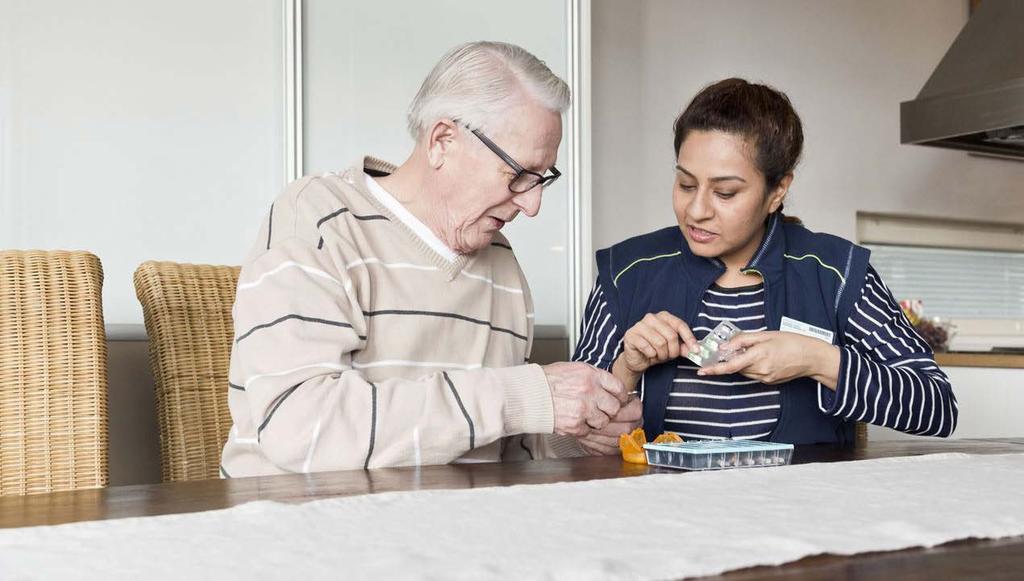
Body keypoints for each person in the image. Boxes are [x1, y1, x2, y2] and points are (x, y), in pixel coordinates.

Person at [221, 41, 637, 477]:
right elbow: (304, 430)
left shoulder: (499, 263)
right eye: (518, 175)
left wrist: (575, 431)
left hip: (449, 526)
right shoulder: (318, 220)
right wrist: (522, 396)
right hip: (302, 523)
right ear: (442, 141)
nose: (531, 205)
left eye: (541, 180)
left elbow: (493, 442)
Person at [572, 78, 956, 448]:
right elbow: (570, 430)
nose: (696, 209)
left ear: (777, 191)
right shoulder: (629, 271)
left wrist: (817, 360)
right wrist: (629, 365)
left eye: (725, 192)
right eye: (686, 184)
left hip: (804, 506)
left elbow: (937, 407)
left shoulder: (835, 272)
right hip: (660, 505)